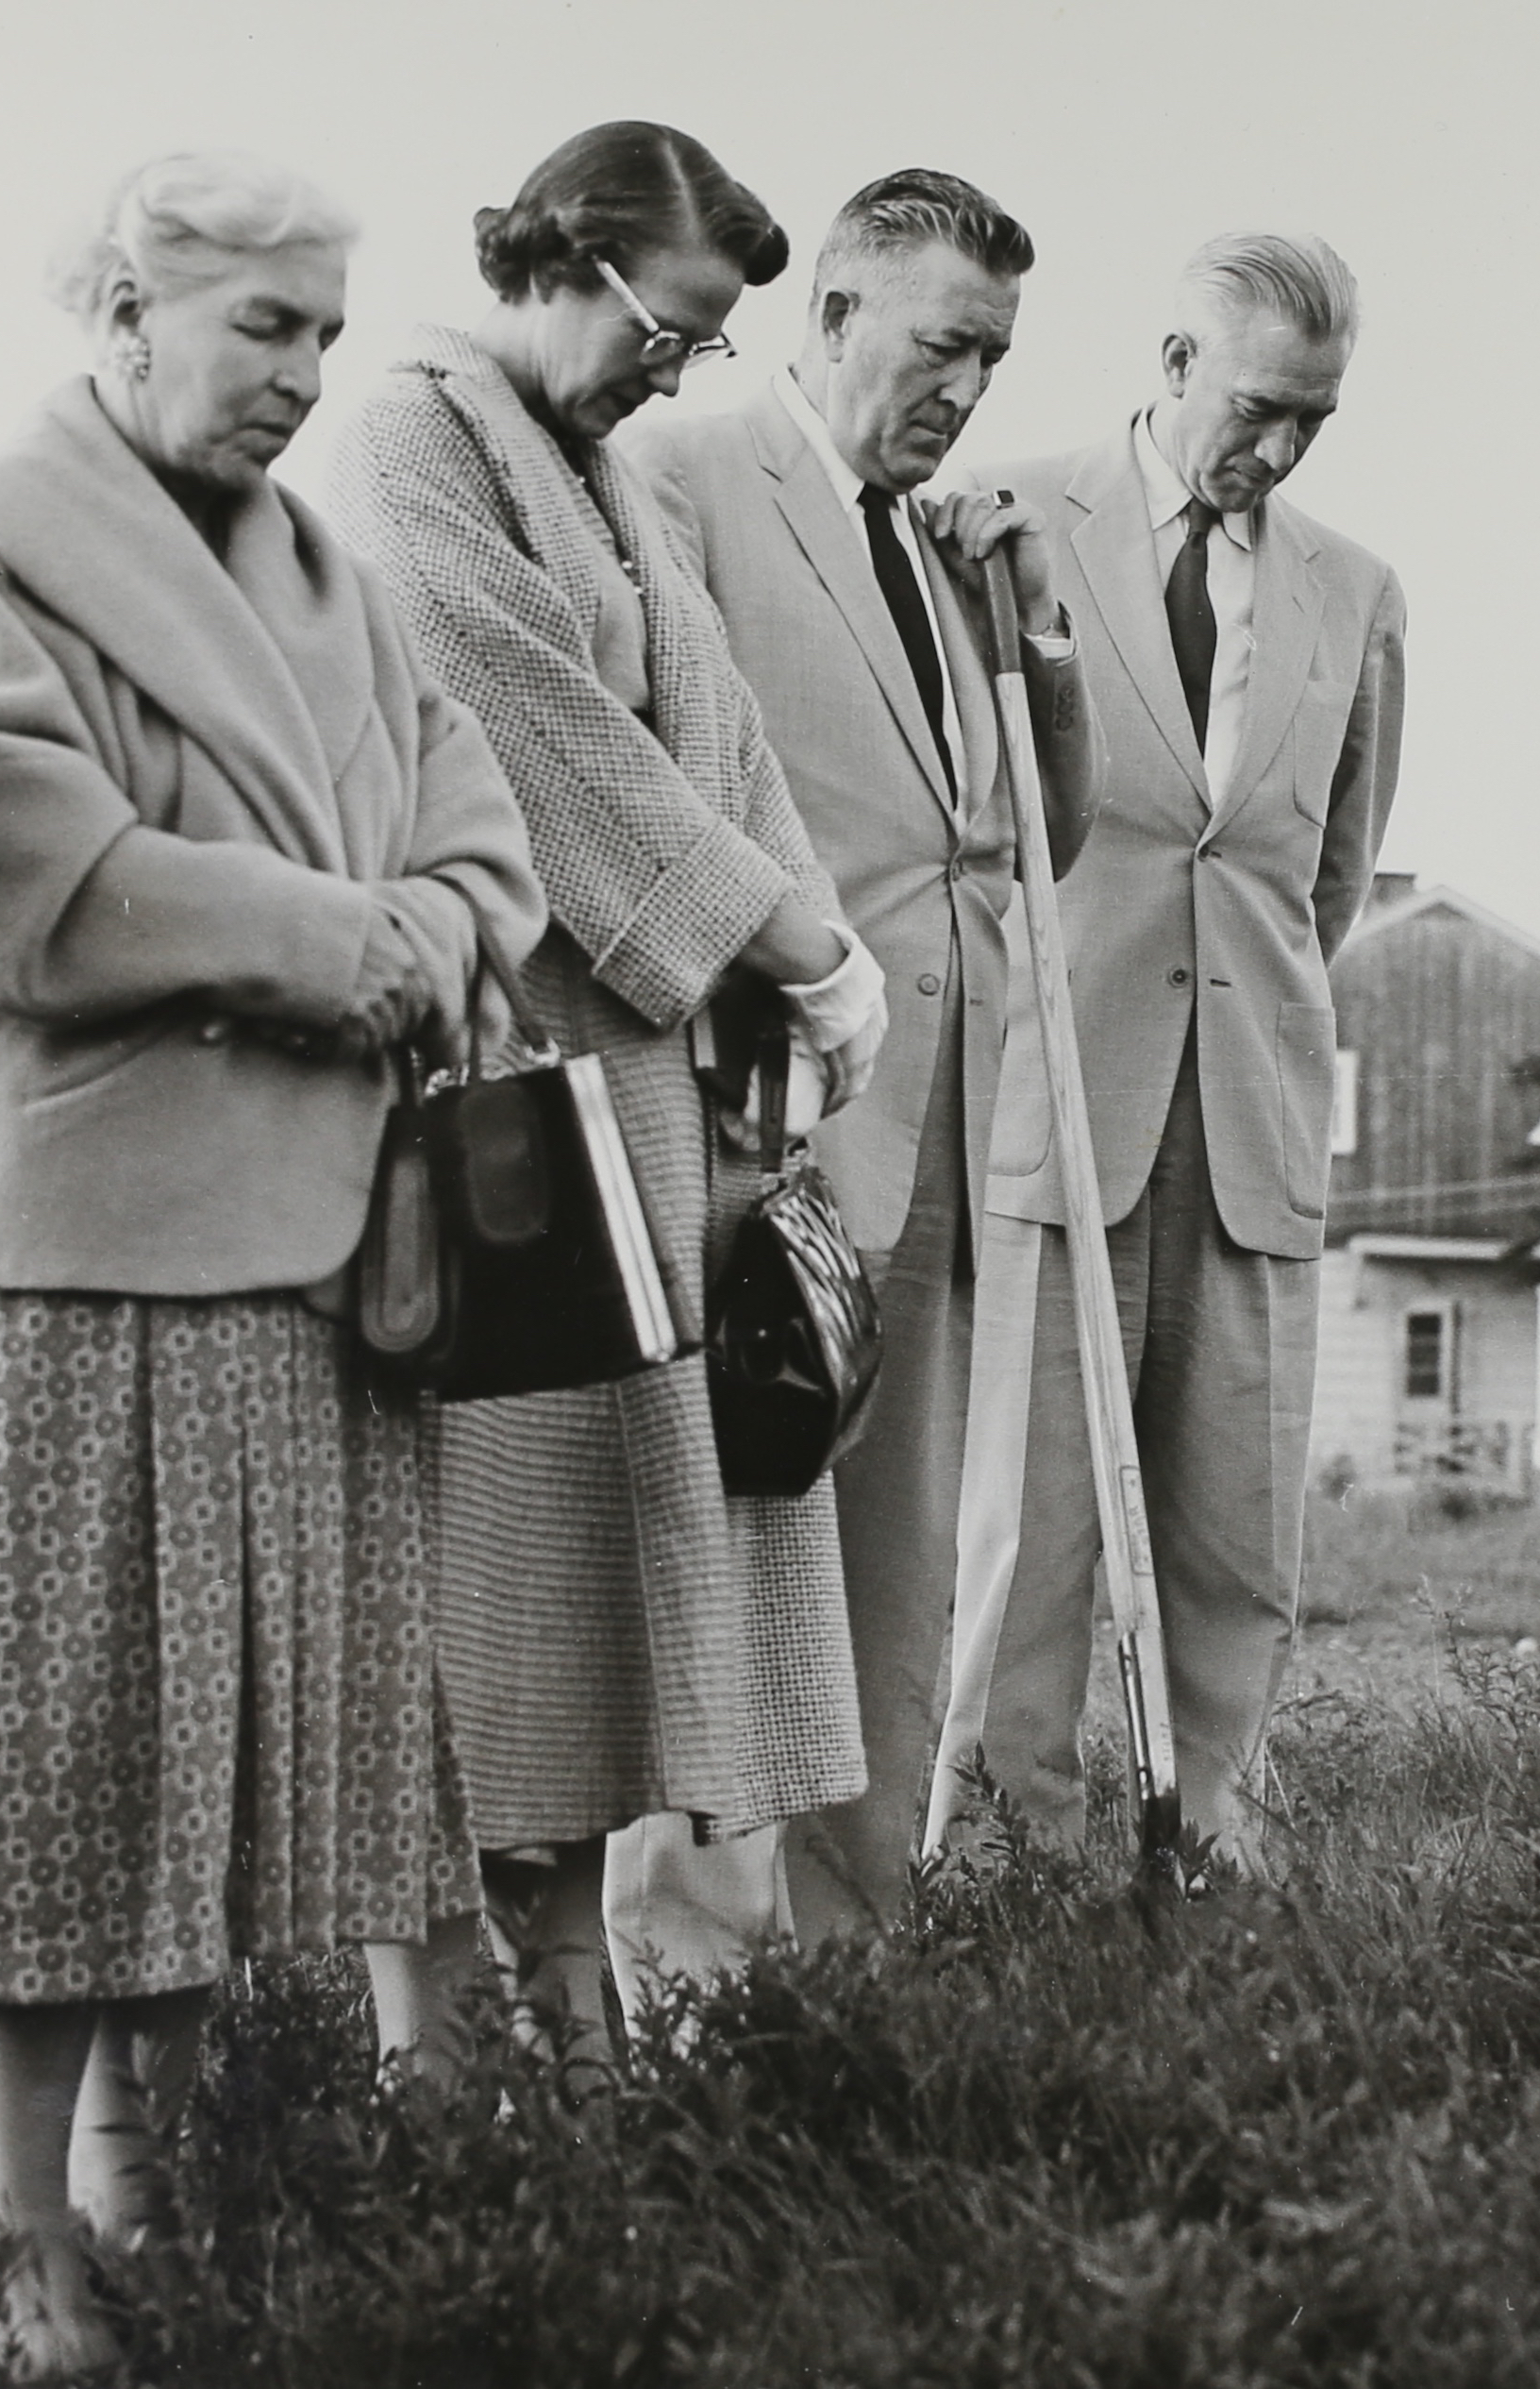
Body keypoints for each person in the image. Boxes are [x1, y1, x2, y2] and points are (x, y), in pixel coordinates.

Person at [0, 152, 544, 2377]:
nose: (306, 375)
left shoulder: (346, 583)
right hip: (73, 1255)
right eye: (266, 325)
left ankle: (142, 2190)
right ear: (127, 309)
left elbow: (477, 833)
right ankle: (12, 2228)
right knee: (48, 1763)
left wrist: (436, 924)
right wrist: (348, 940)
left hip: (318, 1254)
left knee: (221, 1768)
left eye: (331, 333)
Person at [325, 122, 884, 2057]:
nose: (682, 365)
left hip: (644, 1100)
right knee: (500, 1585)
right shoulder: (409, 440)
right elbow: (517, 715)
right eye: (677, 322)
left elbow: (717, 737)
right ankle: (452, 2058)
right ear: (567, 261)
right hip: (509, 1113)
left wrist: (820, 946)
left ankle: (572, 2035)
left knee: (600, 1591)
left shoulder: (602, 470)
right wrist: (778, 939)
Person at [620, 169, 1097, 1970]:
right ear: (831, 317)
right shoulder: (683, 482)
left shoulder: (948, 542)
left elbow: (1049, 835)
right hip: (760, 1128)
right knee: (737, 1561)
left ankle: (843, 1964)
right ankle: (685, 1980)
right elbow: (643, 790)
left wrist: (1037, 618)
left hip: (949, 1129)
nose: (970, 390)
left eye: (994, 358)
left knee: (893, 1582)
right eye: (943, 345)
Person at [950, 233, 1404, 1867]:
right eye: (1259, 408)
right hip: (1055, 1116)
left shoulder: (1353, 592)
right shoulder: (995, 524)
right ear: (1169, 365)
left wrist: (1239, 1024)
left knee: (1233, 1539)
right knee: (1034, 1530)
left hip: (1249, 1130)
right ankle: (1007, 1868)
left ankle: (1213, 1854)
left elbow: (1327, 875)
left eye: (1316, 420)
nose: (1278, 451)